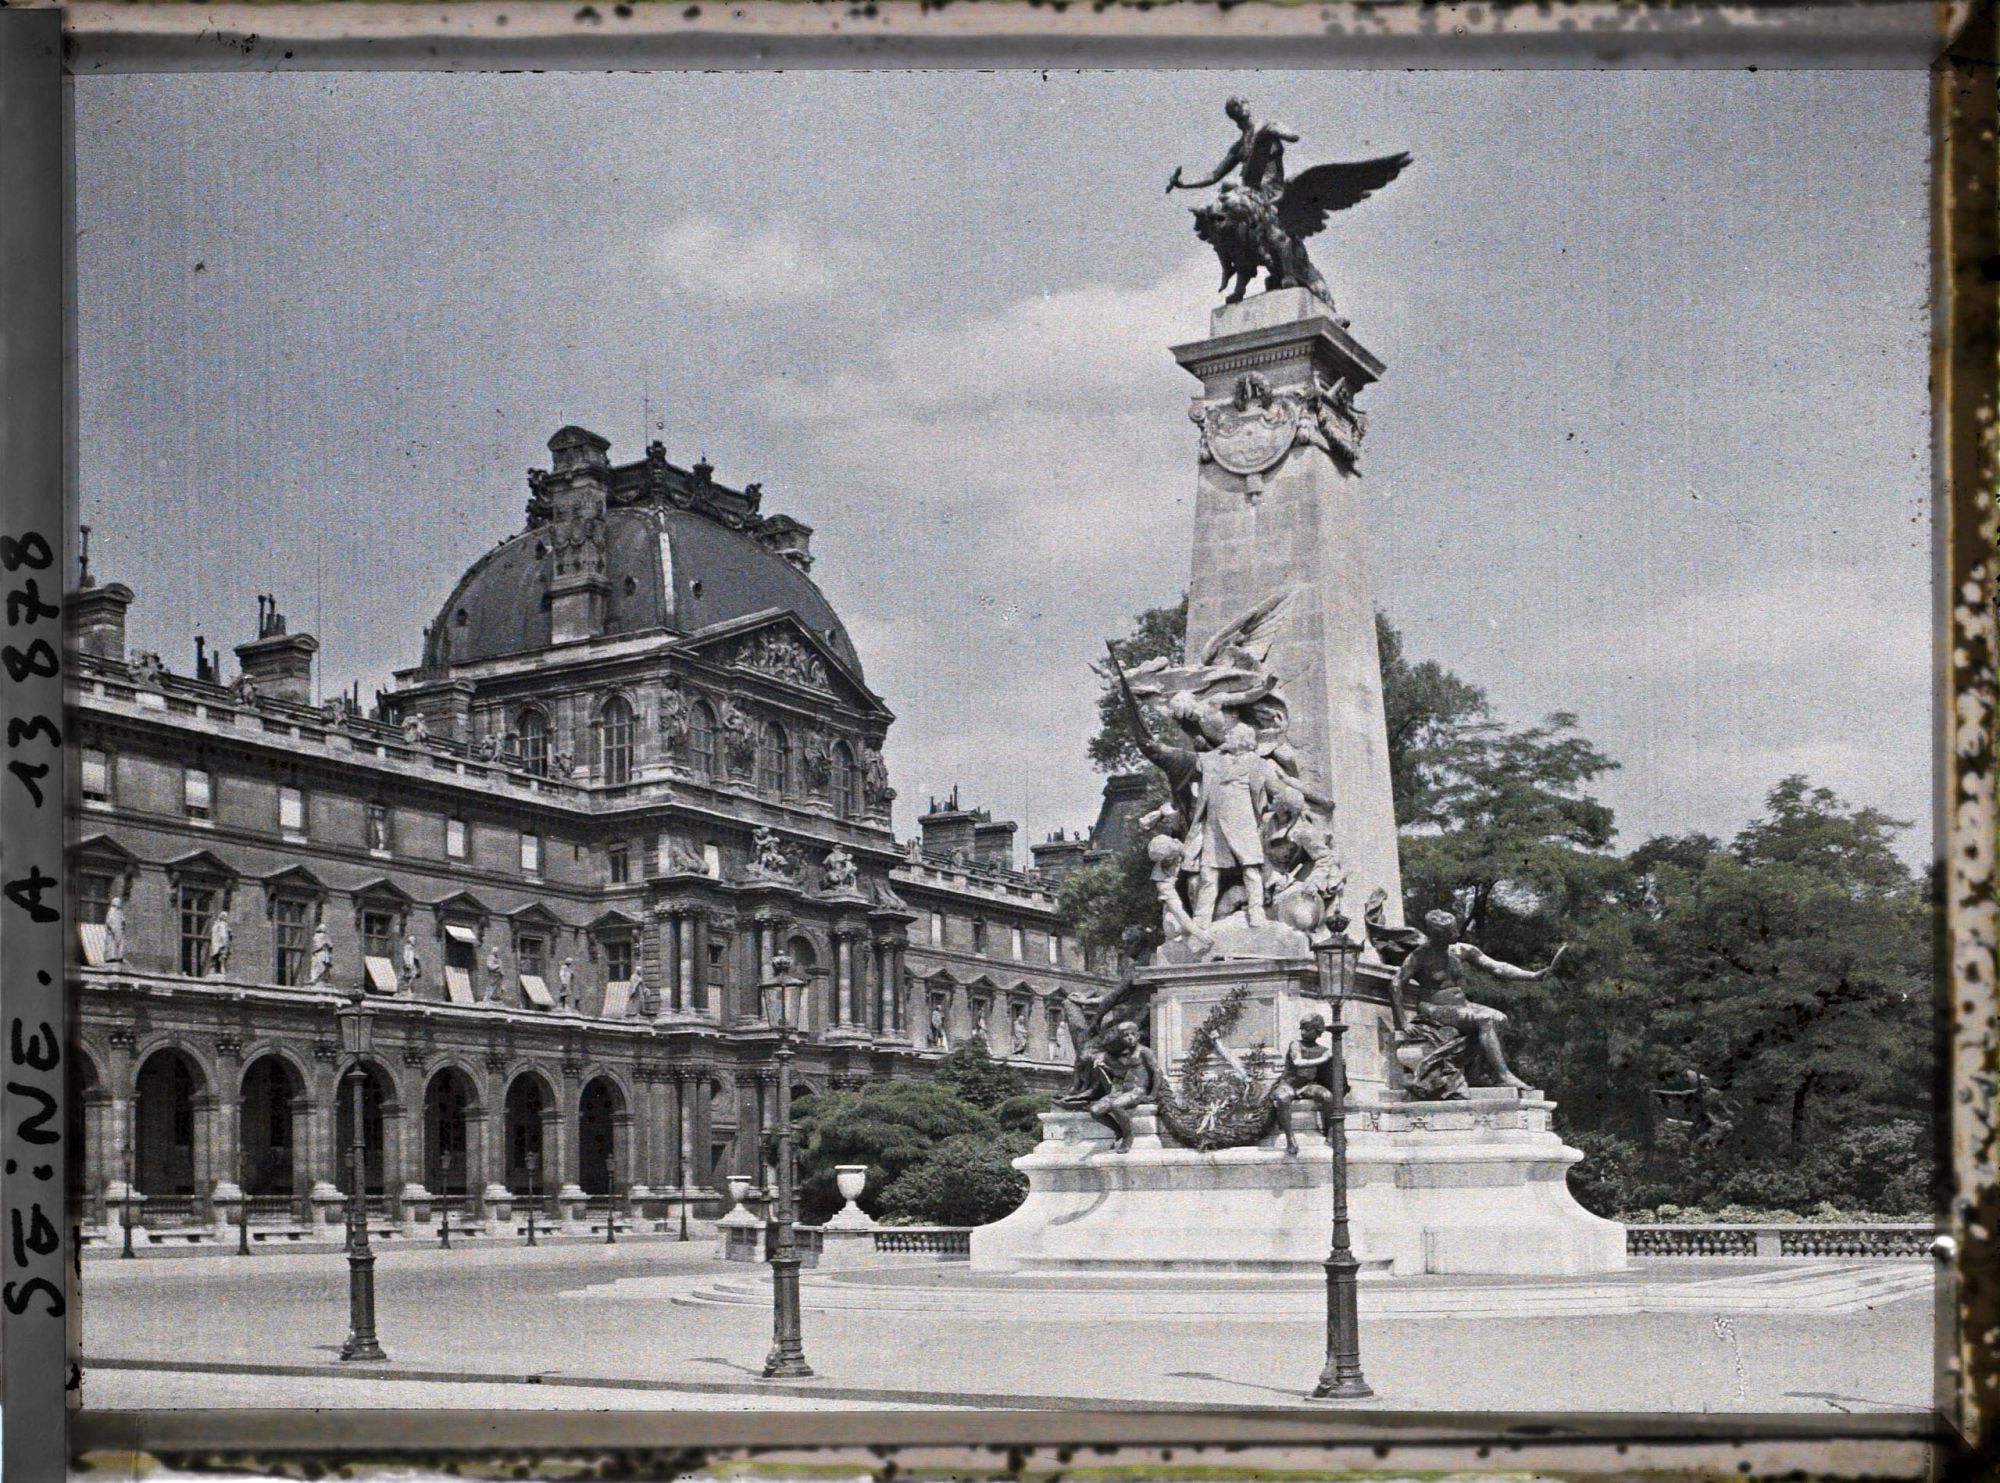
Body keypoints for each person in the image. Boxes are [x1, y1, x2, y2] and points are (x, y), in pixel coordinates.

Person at [1390, 910, 1565, 1090]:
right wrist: (1403, 1022)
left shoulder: (1461, 950)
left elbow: (1498, 967)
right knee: (1485, 1019)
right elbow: (1396, 983)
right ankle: (1503, 1074)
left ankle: (1475, 1074)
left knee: (1500, 1019)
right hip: (1433, 1007)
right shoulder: (1421, 955)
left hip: (1460, 1004)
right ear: (1438, 936)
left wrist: (1533, 976)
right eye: (1451, 932)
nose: (1456, 934)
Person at [1083, 1020, 1160, 1153]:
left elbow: (1157, 1072)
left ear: (1138, 1036)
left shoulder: (1144, 1051)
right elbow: (1122, 1074)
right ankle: (1119, 1131)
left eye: (1132, 1034)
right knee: (1095, 1110)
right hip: (1124, 1091)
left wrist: (1153, 1094)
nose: (1129, 1037)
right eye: (1126, 1035)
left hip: (1138, 1090)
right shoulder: (1128, 1054)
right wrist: (1104, 1067)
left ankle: (1128, 1136)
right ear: (1121, 1039)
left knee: (1116, 1106)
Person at [1270, 1013, 1339, 1155]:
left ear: (1318, 1031)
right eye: (1302, 1028)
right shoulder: (1296, 1044)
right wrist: (1324, 1059)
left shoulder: (1323, 1050)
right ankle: (1290, 1139)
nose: (1303, 1032)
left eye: (1307, 1028)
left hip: (1307, 1085)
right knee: (1283, 1098)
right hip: (1288, 1084)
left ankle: (1332, 1134)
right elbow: (1298, 1062)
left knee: (1327, 1096)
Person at [207, 910, 233, 977]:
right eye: (223, 916)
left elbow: (228, 933)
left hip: (224, 942)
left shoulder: (226, 925)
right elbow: (215, 934)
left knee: (223, 956)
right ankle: (214, 969)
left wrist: (229, 933)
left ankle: (222, 968)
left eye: (226, 916)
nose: (225, 917)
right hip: (219, 942)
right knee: (217, 955)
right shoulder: (217, 925)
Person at [103, 895, 127, 963]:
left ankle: (119, 956)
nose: (119, 904)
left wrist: (123, 925)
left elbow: (123, 920)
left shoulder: (120, 912)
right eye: (118, 902)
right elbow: (109, 922)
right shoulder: (111, 911)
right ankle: (111, 957)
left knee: (120, 944)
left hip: (119, 931)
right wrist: (113, 929)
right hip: (112, 933)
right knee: (112, 944)